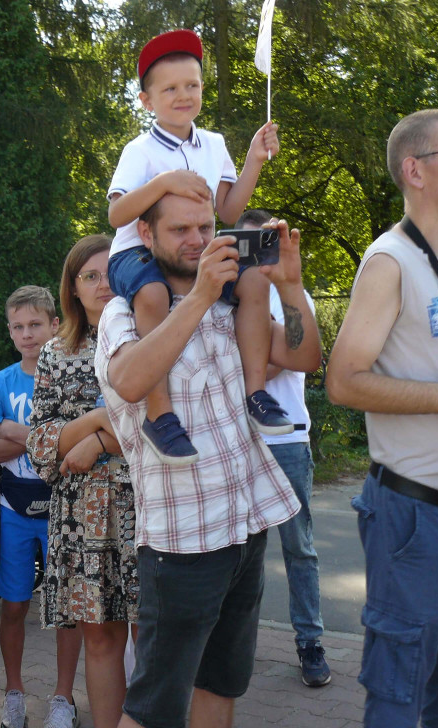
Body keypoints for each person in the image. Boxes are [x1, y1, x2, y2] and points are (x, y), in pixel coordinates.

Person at [96, 193, 320, 728]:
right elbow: (127, 380)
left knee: (221, 683)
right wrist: (195, 298)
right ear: (146, 235)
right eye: (180, 230)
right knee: (152, 705)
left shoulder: (233, 304)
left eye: (205, 226)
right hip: (182, 544)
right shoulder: (125, 310)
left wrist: (288, 286)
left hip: (246, 528)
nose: (196, 239)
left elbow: (304, 357)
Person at [326, 108, 438, 728]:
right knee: (394, 712)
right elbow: (344, 381)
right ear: (417, 170)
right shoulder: (390, 260)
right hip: (416, 520)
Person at [105, 29, 285, 465]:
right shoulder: (140, 150)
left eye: (192, 85)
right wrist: (163, 183)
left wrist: (253, 162)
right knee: (152, 293)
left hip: (197, 253)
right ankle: (158, 412)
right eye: (170, 89)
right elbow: (116, 216)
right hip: (138, 254)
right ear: (147, 101)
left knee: (254, 278)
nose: (183, 95)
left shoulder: (215, 144)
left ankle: (256, 391)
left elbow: (227, 209)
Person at [27, 236, 138, 728]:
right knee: (101, 639)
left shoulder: (148, 335)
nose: (102, 284)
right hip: (82, 515)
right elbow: (42, 443)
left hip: (148, 505)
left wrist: (93, 440)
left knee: (155, 636)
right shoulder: (55, 351)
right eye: (89, 276)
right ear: (72, 287)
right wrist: (96, 423)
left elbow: (164, 423)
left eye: (109, 272)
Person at [0, 285, 85, 728]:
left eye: (36, 325)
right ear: (9, 330)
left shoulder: (69, 373)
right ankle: (13, 691)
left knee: (65, 608)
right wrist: (46, 435)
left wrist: (11, 428)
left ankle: (63, 697)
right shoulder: (1, 382)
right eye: (18, 326)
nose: (27, 335)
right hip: (14, 508)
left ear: (54, 326)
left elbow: (79, 441)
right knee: (14, 604)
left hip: (64, 504)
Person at [238, 209, 329, 687]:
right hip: (238, 439)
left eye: (263, 242)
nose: (255, 252)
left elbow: (294, 359)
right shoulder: (223, 295)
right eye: (246, 243)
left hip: (287, 437)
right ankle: (235, 647)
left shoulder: (292, 293)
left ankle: (310, 643)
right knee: (238, 552)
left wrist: (251, 364)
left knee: (299, 547)